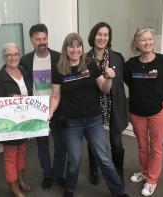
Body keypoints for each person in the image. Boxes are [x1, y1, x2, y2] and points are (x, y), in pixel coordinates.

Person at [49, 33, 129, 197]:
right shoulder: (59, 69)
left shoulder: (90, 64)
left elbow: (104, 88)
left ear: (82, 48)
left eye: (78, 45)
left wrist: (108, 78)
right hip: (71, 122)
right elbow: (55, 95)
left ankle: (119, 191)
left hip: (93, 120)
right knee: (74, 160)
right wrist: (49, 113)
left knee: (104, 158)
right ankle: (70, 189)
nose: (75, 49)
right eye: (71, 46)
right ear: (66, 48)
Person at [124, 27, 163, 196]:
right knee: (142, 146)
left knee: (155, 147)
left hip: (157, 112)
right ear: (137, 43)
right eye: (143, 40)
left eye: (150, 39)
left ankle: (152, 180)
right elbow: (128, 82)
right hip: (136, 113)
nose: (148, 42)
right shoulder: (131, 64)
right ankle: (144, 171)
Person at [20, 23, 67, 189]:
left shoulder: (59, 57)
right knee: (42, 146)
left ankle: (59, 173)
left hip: (58, 109)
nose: (42, 42)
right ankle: (47, 174)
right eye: (38, 39)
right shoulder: (25, 60)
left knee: (61, 146)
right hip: (37, 111)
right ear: (31, 40)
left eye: (44, 38)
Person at [86, 22, 128, 185]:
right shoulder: (85, 58)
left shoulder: (117, 57)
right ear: (93, 36)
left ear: (109, 38)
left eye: (106, 35)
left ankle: (119, 172)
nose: (102, 38)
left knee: (116, 143)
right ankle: (93, 168)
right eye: (99, 34)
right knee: (94, 142)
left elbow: (127, 79)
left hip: (114, 106)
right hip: (93, 106)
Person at [0, 43, 32, 197]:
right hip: (10, 123)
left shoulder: (24, 71)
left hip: (25, 120)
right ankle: (13, 185)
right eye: (9, 55)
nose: (13, 58)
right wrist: (11, 97)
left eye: (16, 54)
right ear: (4, 58)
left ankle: (20, 177)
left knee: (22, 151)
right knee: (10, 155)